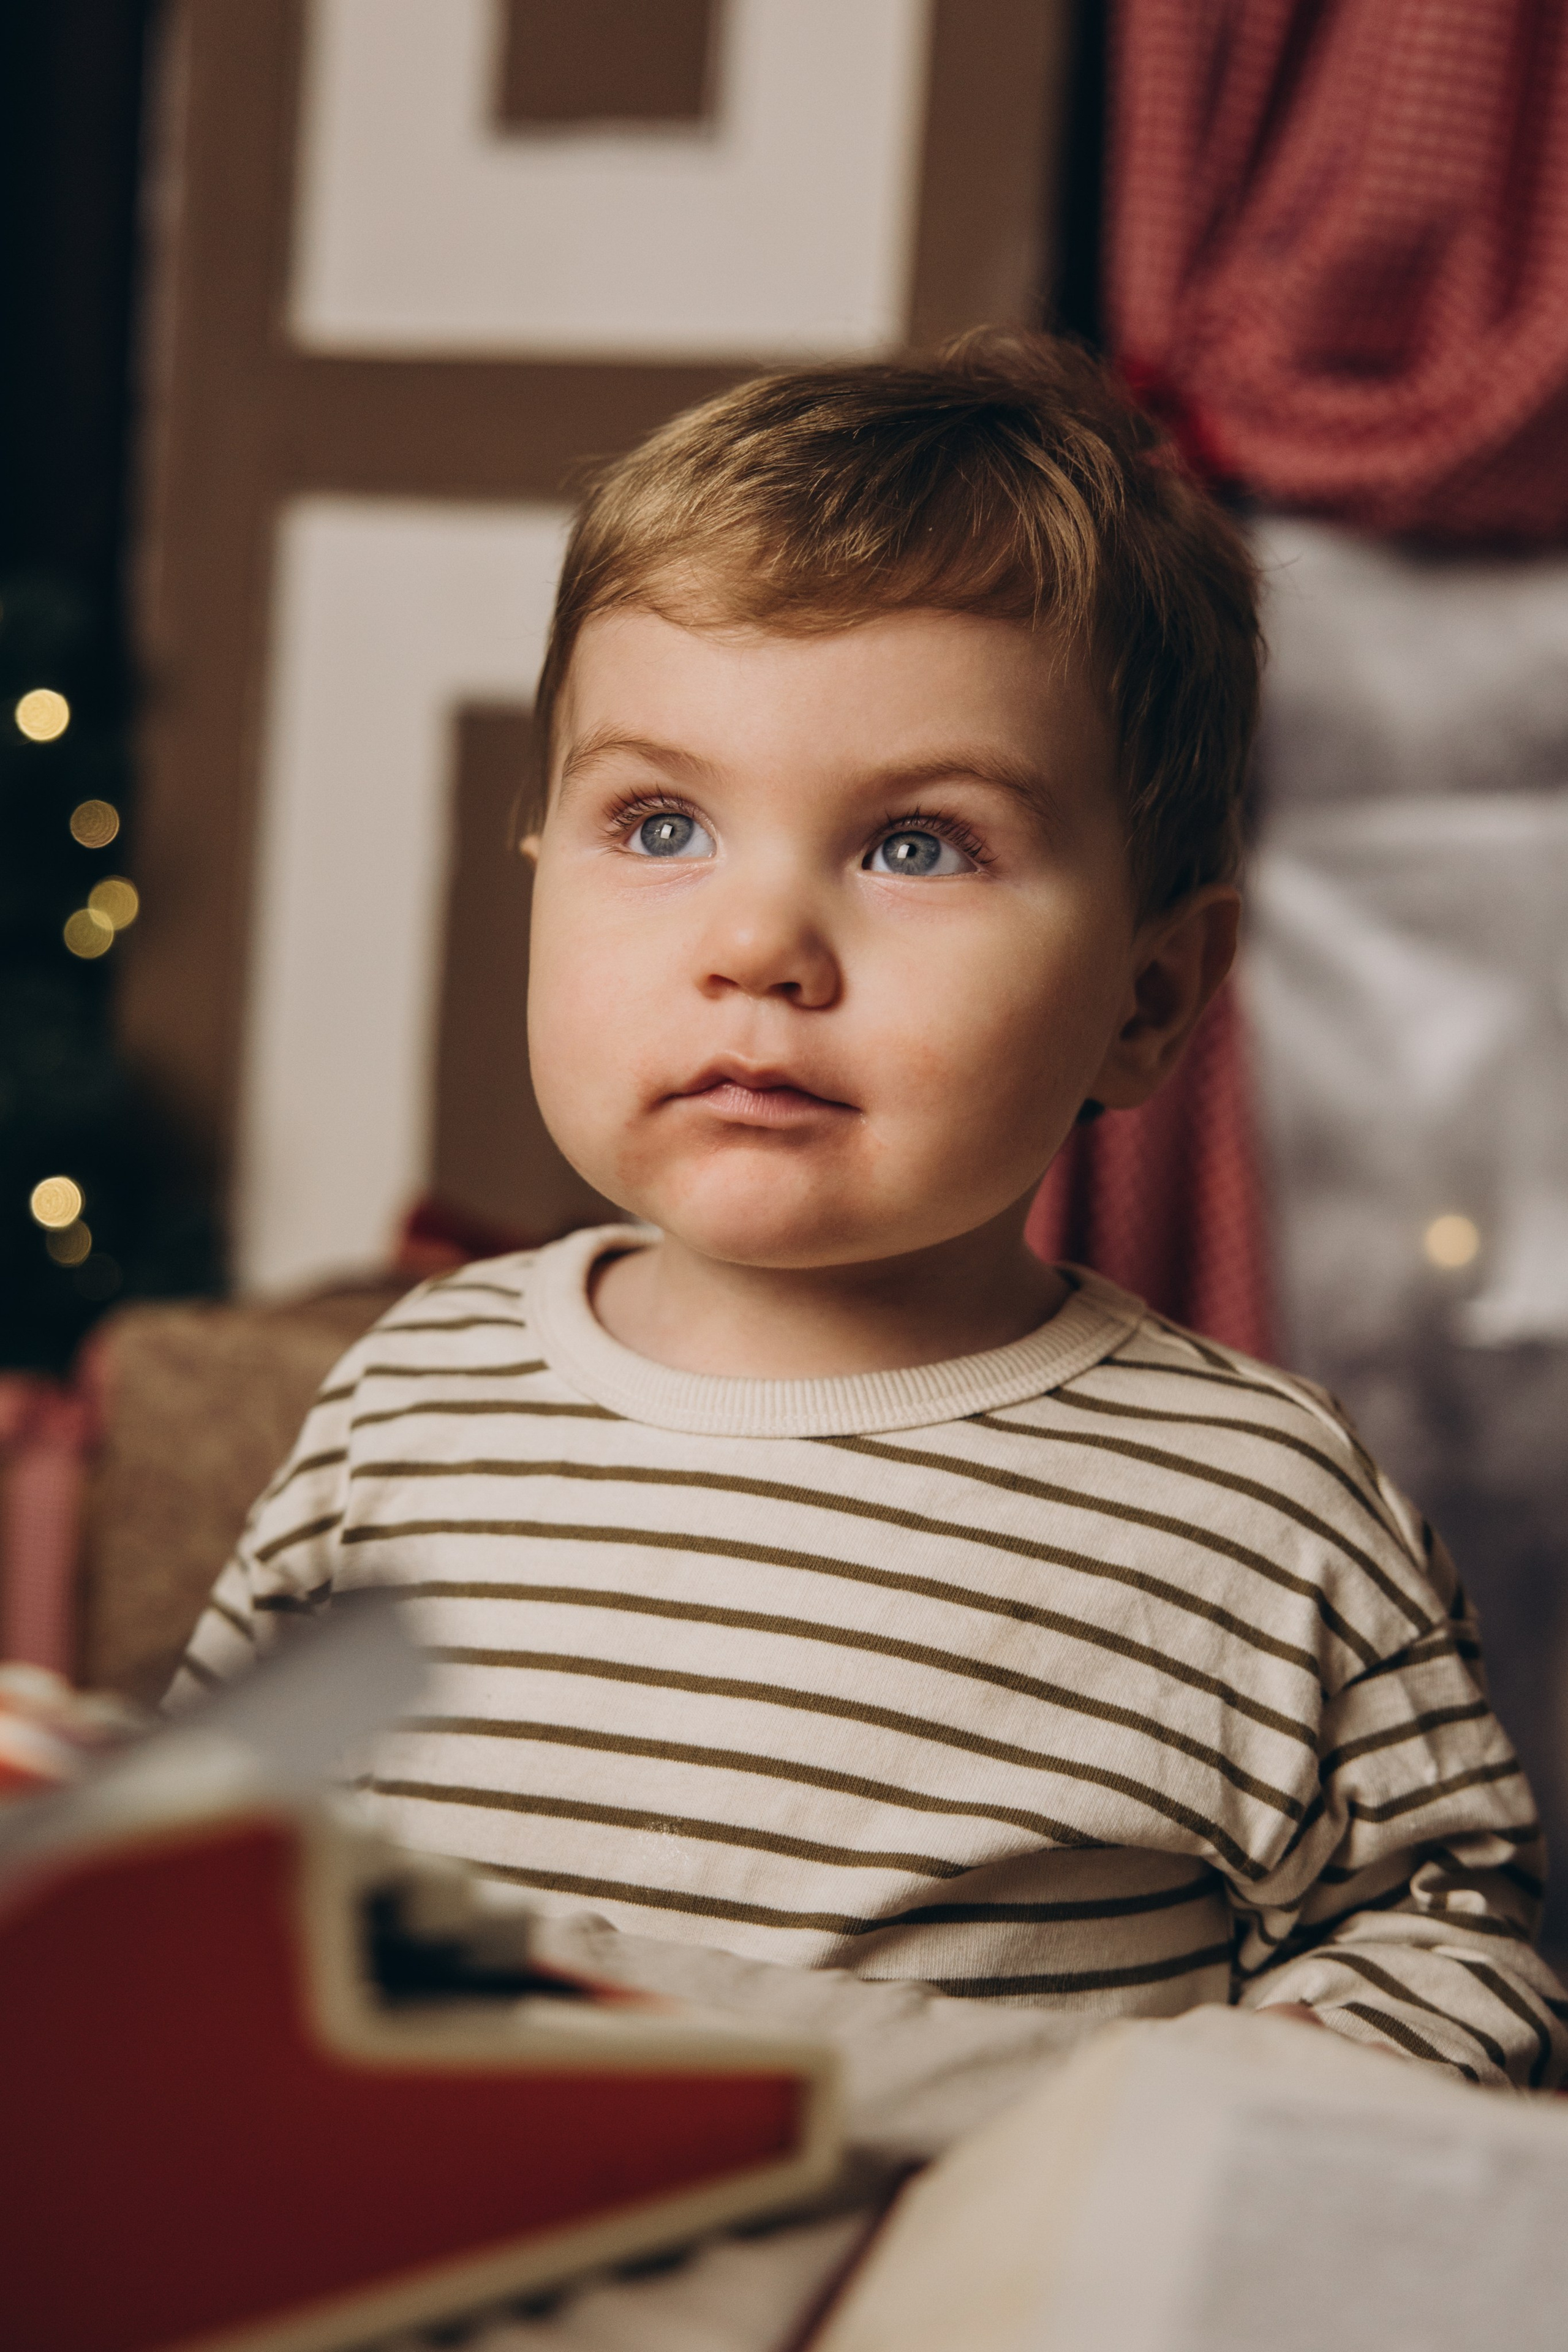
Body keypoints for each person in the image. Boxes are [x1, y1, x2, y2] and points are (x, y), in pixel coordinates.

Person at [172, 333, 1566, 2086]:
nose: (755, 946)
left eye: (918, 845)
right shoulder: (405, 1405)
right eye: (662, 823)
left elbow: (1446, 1944)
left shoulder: (1267, 1516)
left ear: (1148, 997)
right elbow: (213, 1867)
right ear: (537, 874)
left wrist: (1236, 2118)